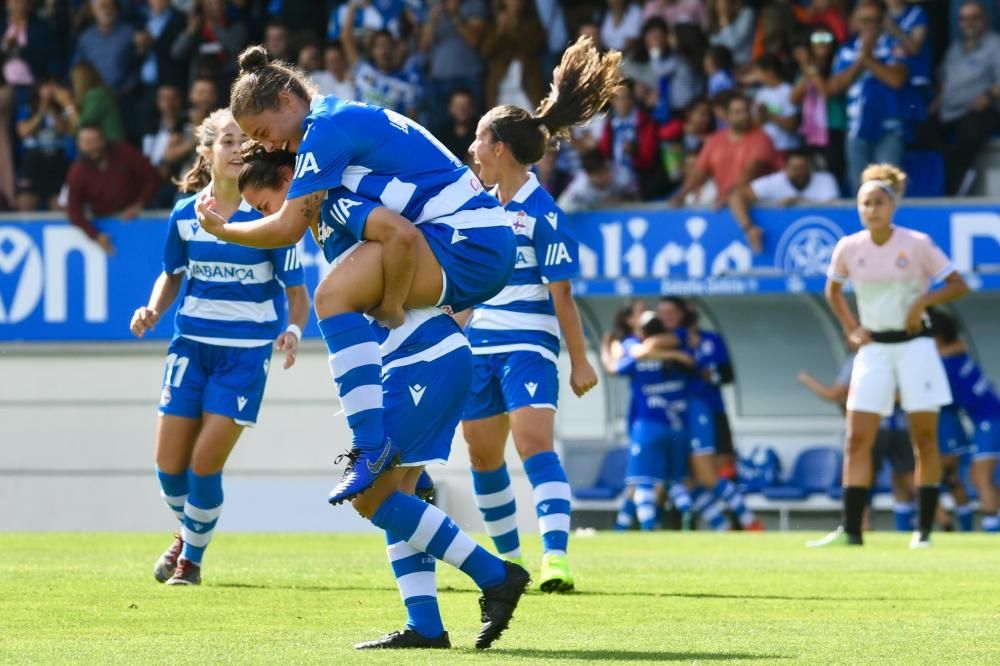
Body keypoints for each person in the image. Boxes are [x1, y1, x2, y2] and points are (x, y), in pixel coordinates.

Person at [235, 129, 529, 655]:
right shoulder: (330, 217)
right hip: (426, 357)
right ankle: (427, 627)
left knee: (371, 497)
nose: (272, 219)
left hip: (424, 360)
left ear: (290, 179)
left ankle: (496, 576)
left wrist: (393, 305)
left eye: (265, 205)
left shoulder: (341, 203)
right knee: (395, 495)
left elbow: (404, 240)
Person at [199, 45, 515, 504]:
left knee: (331, 298)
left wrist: (225, 230)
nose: (266, 147)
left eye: (264, 133)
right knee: (386, 498)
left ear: (289, 102)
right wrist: (390, 304)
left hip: (469, 243)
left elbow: (291, 227)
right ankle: (405, 462)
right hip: (473, 244)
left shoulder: (323, 131)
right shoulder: (337, 133)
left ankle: (372, 446)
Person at [460, 35, 616, 593]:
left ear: (500, 145)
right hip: (477, 349)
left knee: (533, 446)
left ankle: (556, 557)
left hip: (528, 345)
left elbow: (563, 295)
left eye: (479, 137)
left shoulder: (542, 212)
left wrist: (580, 361)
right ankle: (509, 564)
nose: (472, 147)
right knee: (482, 457)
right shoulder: (474, 206)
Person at [129, 109, 309, 586]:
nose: (236, 150)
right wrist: (152, 310)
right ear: (206, 153)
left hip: (244, 356)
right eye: (227, 142)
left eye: (242, 142)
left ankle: (190, 563)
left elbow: (297, 293)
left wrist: (293, 329)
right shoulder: (185, 215)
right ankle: (187, 534)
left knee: (204, 464)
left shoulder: (271, 216)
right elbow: (171, 276)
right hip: (189, 348)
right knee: (170, 468)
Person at [808, 163, 970, 549]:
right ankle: (851, 530)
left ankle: (924, 531)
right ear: (858, 208)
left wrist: (922, 303)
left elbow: (957, 284)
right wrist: (852, 328)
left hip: (916, 347)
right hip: (875, 350)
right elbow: (833, 292)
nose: (871, 209)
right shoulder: (848, 247)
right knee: (856, 439)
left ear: (892, 206)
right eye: (865, 203)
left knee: (924, 440)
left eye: (879, 202)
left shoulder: (916, 243)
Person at [657, 296, 761, 531]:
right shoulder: (665, 343)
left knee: (719, 468)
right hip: (678, 417)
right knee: (687, 477)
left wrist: (708, 374)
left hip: (710, 411)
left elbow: (727, 375)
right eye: (662, 313)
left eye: (672, 312)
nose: (667, 317)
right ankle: (714, 527)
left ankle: (743, 523)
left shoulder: (711, 339)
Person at [797, 355, 917, 532]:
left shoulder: (862, 358)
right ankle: (935, 521)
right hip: (901, 428)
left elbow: (833, 394)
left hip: (873, 428)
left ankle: (862, 525)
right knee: (905, 480)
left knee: (864, 476)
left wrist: (806, 379)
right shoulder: (899, 357)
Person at [602, 309, 697, 531]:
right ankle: (686, 512)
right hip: (677, 426)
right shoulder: (679, 355)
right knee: (674, 480)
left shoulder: (636, 356)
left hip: (648, 426)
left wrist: (606, 347)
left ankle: (648, 527)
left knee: (642, 480)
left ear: (643, 332)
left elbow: (614, 368)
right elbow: (692, 366)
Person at [929, 309, 1000, 532]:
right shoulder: (958, 354)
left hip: (989, 421)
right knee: (975, 476)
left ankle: (992, 532)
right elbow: (958, 345)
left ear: (937, 337)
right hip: (987, 419)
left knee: (981, 477)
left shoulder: (945, 366)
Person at [827, 1, 909, 193]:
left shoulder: (894, 47)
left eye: (874, 20)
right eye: (864, 20)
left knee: (888, 188)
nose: (869, 25)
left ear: (882, 22)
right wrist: (863, 56)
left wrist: (867, 57)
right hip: (856, 128)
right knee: (861, 189)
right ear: (855, 22)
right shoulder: (846, 50)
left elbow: (896, 80)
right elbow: (834, 87)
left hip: (889, 128)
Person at [670, 92, 781, 211]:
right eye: (738, 112)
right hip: (725, 205)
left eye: (746, 111)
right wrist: (682, 194)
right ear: (727, 116)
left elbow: (751, 172)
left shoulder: (762, 138)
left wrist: (729, 197)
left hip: (761, 207)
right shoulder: (714, 141)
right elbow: (700, 172)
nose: (744, 116)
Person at [933, 0, 1000, 196]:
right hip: (949, 111)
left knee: (969, 132)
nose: (968, 22)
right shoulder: (954, 49)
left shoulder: (995, 44)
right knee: (922, 130)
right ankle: (930, 188)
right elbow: (943, 81)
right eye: (963, 19)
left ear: (985, 19)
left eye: (974, 17)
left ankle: (959, 185)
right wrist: (937, 100)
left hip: (981, 110)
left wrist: (988, 95)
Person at [65, 124, 160, 255]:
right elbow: (74, 211)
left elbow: (152, 177)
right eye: (87, 142)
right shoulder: (77, 172)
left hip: (139, 219)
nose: (93, 147)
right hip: (105, 223)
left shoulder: (124, 152)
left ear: (104, 140)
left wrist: (140, 204)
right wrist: (95, 235)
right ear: (79, 145)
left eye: (95, 140)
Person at [728, 149, 840, 253]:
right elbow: (736, 196)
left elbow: (836, 209)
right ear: (785, 169)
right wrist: (748, 228)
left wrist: (801, 202)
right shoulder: (775, 181)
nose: (800, 172)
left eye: (803, 167)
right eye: (795, 168)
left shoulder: (826, 180)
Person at [342, 6, 419, 117]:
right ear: (372, 51)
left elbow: (412, 123)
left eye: (388, 45)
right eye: (379, 46)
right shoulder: (361, 68)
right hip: (359, 130)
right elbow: (346, 38)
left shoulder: (406, 85)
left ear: (394, 50)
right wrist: (353, 6)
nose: (384, 50)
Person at [15, 79, 73, 211]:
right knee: (25, 206)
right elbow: (23, 132)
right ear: (38, 89)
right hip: (32, 164)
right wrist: (41, 112)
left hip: (57, 163)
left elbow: (64, 131)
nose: (50, 90)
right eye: (46, 86)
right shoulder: (27, 109)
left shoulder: (62, 110)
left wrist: (52, 109)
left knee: (59, 208)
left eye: (53, 87)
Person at [749, 53, 800, 152]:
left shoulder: (788, 91)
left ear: (769, 72)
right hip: (766, 149)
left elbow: (793, 125)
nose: (755, 76)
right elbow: (756, 123)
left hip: (787, 148)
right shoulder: (760, 94)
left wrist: (768, 115)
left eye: (757, 72)